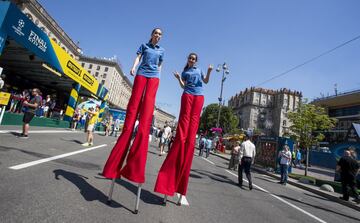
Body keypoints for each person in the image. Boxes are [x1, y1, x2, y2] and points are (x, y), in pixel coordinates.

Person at [102, 28, 165, 185]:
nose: (157, 35)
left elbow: (160, 65)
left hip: (153, 77)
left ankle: (136, 156)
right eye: (155, 33)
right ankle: (118, 157)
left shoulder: (162, 50)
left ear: (161, 37)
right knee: (134, 105)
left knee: (147, 110)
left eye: (160, 34)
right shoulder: (144, 45)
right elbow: (138, 58)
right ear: (151, 35)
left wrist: (159, 77)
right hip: (142, 74)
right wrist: (133, 67)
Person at [154, 52, 213, 198]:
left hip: (198, 96)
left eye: (194, 59)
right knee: (185, 119)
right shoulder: (185, 71)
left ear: (196, 61)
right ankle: (181, 138)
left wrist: (210, 71)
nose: (192, 60)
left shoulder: (199, 70)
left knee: (194, 122)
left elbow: (205, 81)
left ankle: (190, 139)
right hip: (187, 95)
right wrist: (178, 78)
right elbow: (183, 86)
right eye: (190, 58)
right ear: (188, 60)